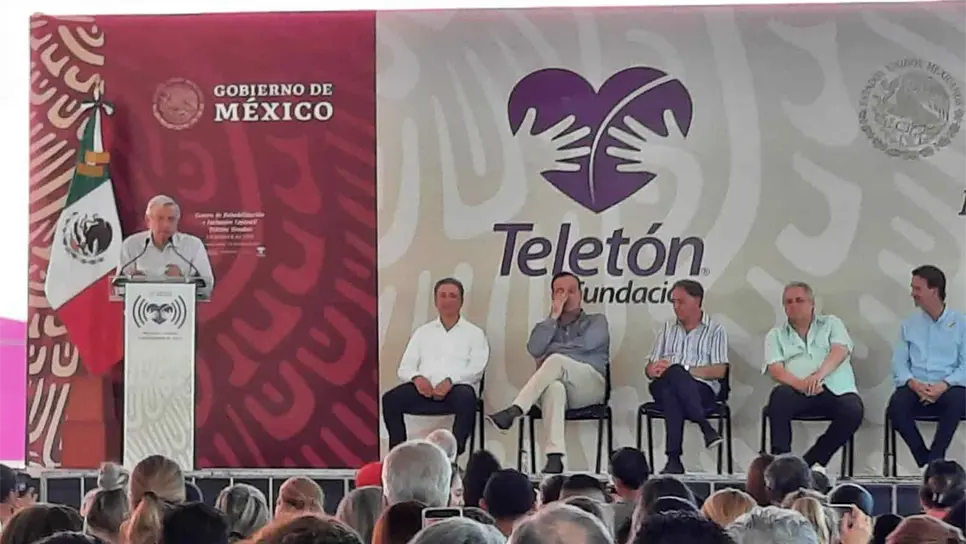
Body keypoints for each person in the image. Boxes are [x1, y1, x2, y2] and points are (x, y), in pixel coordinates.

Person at [488, 272, 610, 474]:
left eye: (571, 291)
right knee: (554, 387)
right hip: (561, 389)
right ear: (553, 296)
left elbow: (587, 344)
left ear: (580, 295)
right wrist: (553, 317)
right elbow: (535, 349)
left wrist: (553, 351)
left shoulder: (597, 321)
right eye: (560, 292)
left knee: (555, 360)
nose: (567, 296)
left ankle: (515, 410)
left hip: (590, 385)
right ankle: (555, 457)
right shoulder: (545, 327)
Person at [763, 282, 864, 471]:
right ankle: (782, 464)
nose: (793, 305)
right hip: (797, 390)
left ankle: (813, 462)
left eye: (799, 300)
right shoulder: (775, 335)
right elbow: (776, 369)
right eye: (788, 302)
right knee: (779, 397)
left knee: (853, 409)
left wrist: (818, 377)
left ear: (812, 304)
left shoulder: (831, 323)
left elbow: (840, 351)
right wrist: (801, 384)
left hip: (833, 388)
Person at [382, 278, 489, 457]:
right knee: (391, 399)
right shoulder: (423, 332)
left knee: (467, 397)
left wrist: (450, 381)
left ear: (461, 301)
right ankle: (398, 454)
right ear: (436, 301)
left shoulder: (474, 333)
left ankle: (453, 454)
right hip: (424, 391)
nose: (447, 300)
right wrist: (417, 378)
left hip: (455, 390)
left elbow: (477, 368)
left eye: (452, 296)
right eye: (443, 296)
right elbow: (405, 367)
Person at [645, 279, 727, 474]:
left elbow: (719, 371)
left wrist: (684, 369)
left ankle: (674, 460)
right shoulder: (666, 329)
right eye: (673, 302)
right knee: (671, 380)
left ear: (697, 301)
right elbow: (649, 368)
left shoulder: (715, 330)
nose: (676, 307)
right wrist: (653, 369)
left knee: (673, 391)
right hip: (663, 384)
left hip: (701, 389)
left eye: (680, 301)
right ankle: (705, 426)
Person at [888, 265, 966, 468]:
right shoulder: (909, 325)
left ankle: (935, 459)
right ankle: (927, 465)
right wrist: (913, 383)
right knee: (896, 406)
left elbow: (965, 365)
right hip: (917, 387)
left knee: (959, 398)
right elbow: (899, 362)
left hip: (949, 388)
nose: (912, 293)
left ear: (934, 290)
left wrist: (944, 384)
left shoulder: (961, 323)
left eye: (917, 288)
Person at [116, 194, 214, 298]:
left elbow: (207, 287)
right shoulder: (131, 245)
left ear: (177, 221)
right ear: (148, 220)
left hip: (182, 310)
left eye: (171, 219)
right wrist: (132, 283)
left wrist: (183, 280)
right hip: (140, 310)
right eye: (160, 218)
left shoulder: (194, 245)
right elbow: (117, 287)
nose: (166, 224)